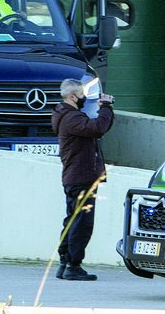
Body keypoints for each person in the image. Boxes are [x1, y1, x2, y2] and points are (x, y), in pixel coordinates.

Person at [51, 78, 114, 281]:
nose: (84, 98)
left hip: (74, 177)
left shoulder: (65, 115)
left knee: (72, 220)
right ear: (72, 96)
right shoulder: (71, 118)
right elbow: (97, 128)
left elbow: (94, 128)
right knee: (81, 223)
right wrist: (105, 107)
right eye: (81, 94)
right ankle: (73, 266)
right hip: (81, 177)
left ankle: (64, 263)